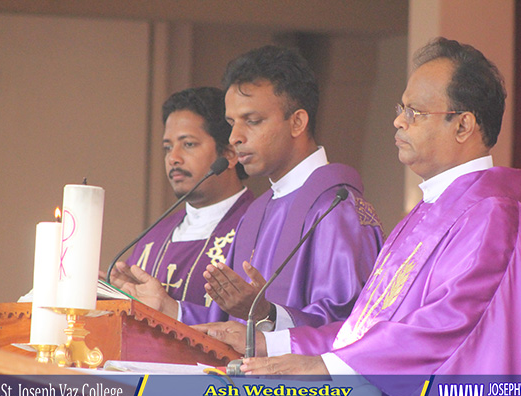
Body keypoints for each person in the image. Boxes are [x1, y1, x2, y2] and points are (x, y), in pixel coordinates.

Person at [196, 38, 521, 395]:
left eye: (415, 112)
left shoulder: (491, 213)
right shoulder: (424, 214)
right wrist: (271, 344)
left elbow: (444, 325)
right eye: (401, 107)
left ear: (463, 126)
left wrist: (327, 366)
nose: (399, 121)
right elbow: (365, 327)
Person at [115, 45, 384, 328]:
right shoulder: (256, 213)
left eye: (252, 121)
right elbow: (231, 325)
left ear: (297, 122)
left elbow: (351, 327)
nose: (235, 138)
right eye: (231, 123)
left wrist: (267, 314)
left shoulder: (337, 208)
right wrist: (168, 308)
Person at [109, 87, 253, 311]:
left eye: (188, 144)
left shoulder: (257, 227)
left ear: (229, 154)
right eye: (168, 147)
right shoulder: (155, 236)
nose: (173, 158)